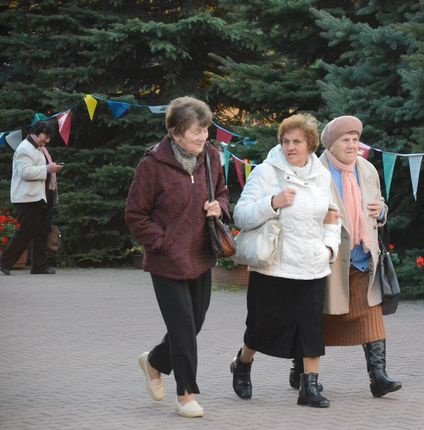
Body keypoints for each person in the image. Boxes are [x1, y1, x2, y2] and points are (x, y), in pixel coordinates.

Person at [125, 96, 229, 418]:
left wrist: (219, 207)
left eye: (206, 129)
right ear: (175, 132)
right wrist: (162, 242)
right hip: (167, 260)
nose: (204, 137)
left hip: (201, 255)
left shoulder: (211, 158)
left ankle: (154, 361)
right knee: (183, 327)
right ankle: (186, 395)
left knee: (194, 323)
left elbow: (223, 193)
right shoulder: (152, 166)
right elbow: (135, 214)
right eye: (197, 131)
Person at [230, 113, 341, 408]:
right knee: (262, 327)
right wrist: (272, 203)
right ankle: (242, 363)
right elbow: (240, 215)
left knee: (311, 328)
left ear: (310, 145)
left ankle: (309, 388)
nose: (291, 147)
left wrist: (329, 249)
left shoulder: (322, 176)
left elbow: (333, 218)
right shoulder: (267, 172)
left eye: (297, 141)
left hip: (312, 265)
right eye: (286, 141)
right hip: (274, 266)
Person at [300, 115, 401, 398]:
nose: (352, 145)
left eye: (356, 140)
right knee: (317, 319)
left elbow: (379, 207)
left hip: (362, 258)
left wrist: (381, 212)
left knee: (371, 317)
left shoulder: (366, 169)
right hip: (327, 261)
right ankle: (303, 372)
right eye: (346, 140)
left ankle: (378, 377)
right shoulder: (314, 171)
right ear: (330, 144)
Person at [1, 120, 62, 276]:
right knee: (27, 230)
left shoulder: (39, 148)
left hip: (41, 195)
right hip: (27, 198)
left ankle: (39, 266)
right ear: (36, 132)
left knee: (42, 230)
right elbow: (25, 173)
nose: (46, 141)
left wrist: (49, 168)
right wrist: (48, 168)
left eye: (49, 138)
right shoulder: (24, 149)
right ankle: (4, 263)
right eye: (45, 137)